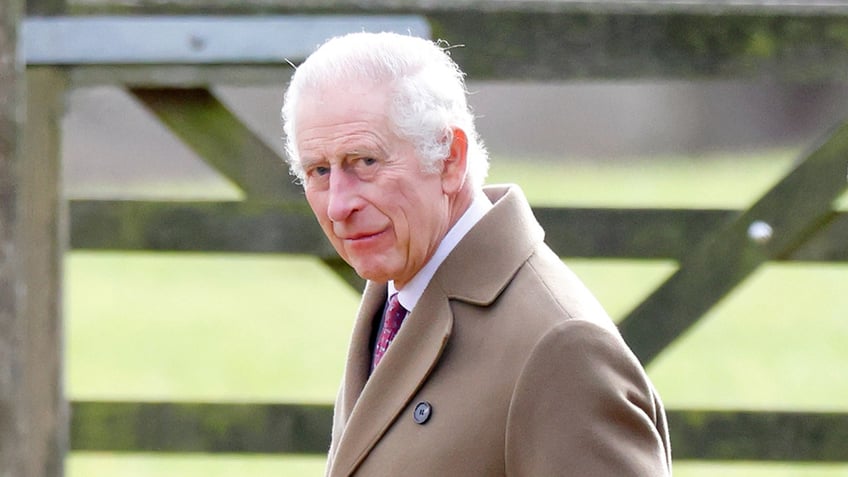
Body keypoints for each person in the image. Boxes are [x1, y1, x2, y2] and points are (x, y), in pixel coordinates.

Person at [281, 31, 672, 476]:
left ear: (449, 158)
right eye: (319, 171)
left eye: (365, 162)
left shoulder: (562, 348)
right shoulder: (395, 296)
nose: (338, 205)